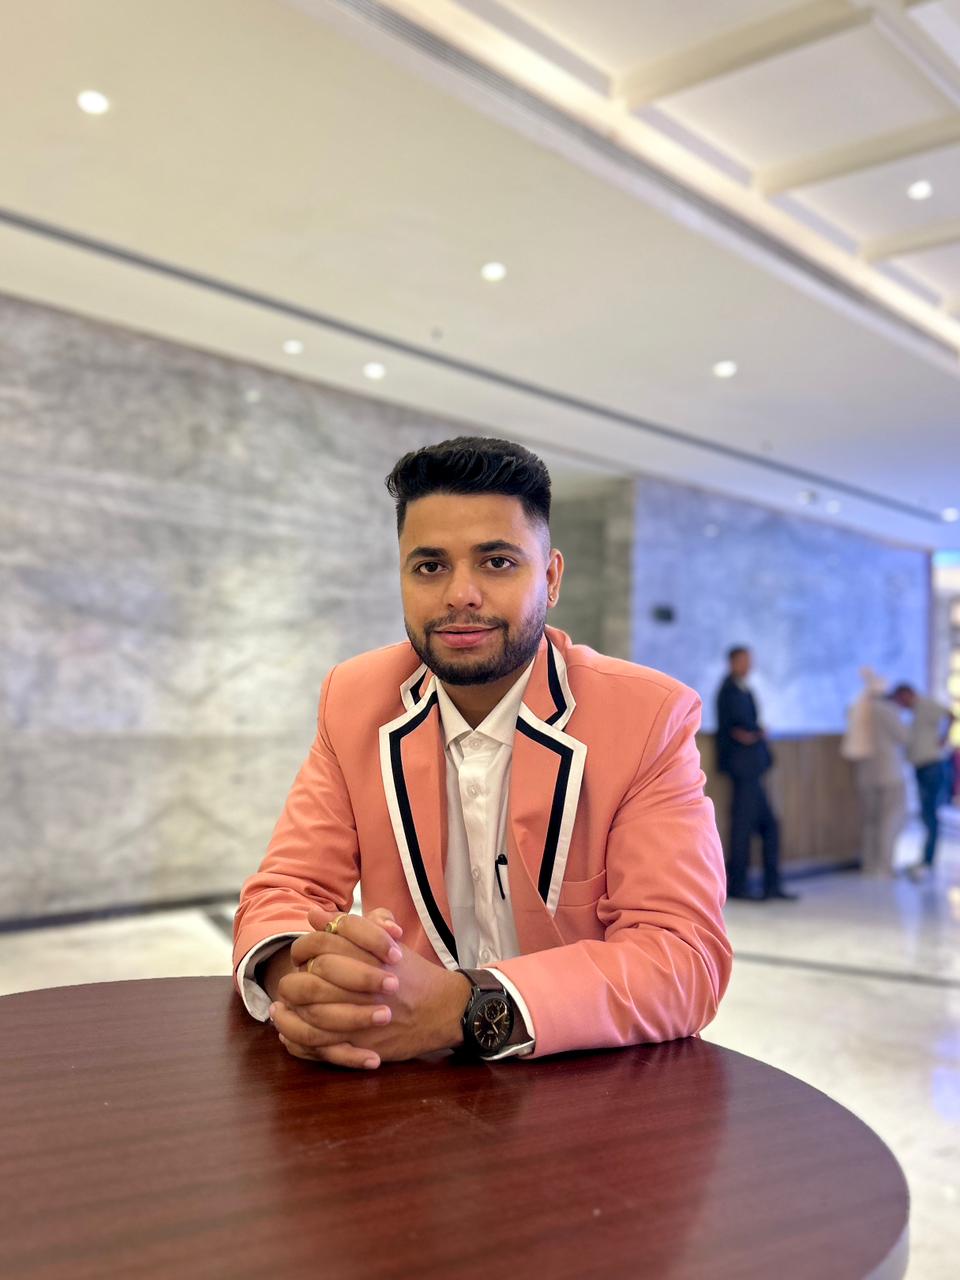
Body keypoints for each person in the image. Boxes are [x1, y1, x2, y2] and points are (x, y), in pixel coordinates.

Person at [233, 436, 732, 1069]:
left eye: (496, 562)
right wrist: (307, 981)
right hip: (404, 1083)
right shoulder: (354, 700)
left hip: (585, 1080)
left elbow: (682, 958)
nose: (460, 594)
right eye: (429, 567)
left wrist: (459, 1009)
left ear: (550, 578)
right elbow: (285, 890)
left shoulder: (647, 717)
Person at [714, 647, 797, 901]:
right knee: (743, 827)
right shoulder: (729, 691)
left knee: (769, 826)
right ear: (732, 662)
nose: (748, 665)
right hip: (743, 769)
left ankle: (771, 885)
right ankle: (738, 887)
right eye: (743, 661)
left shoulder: (743, 689)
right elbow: (740, 729)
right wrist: (757, 733)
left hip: (752, 769)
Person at [890, 684, 955, 880]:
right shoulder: (916, 712)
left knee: (929, 814)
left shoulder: (926, 705)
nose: (900, 705)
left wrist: (943, 739)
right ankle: (926, 858)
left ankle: (928, 859)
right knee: (926, 814)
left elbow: (950, 715)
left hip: (931, 766)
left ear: (907, 694)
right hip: (922, 766)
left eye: (900, 700)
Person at [852, 686, 909, 876]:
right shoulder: (887, 710)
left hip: (866, 773)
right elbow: (904, 737)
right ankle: (884, 866)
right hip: (889, 772)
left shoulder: (858, 709)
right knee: (889, 820)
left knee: (870, 822)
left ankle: (869, 865)